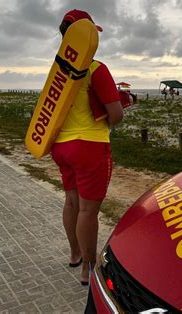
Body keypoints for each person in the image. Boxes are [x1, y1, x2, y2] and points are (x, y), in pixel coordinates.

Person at [50, 9, 124, 286]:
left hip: (61, 147)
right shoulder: (95, 68)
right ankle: (88, 269)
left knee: (71, 202)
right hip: (90, 147)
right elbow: (115, 115)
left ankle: (75, 255)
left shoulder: (57, 72)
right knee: (87, 210)